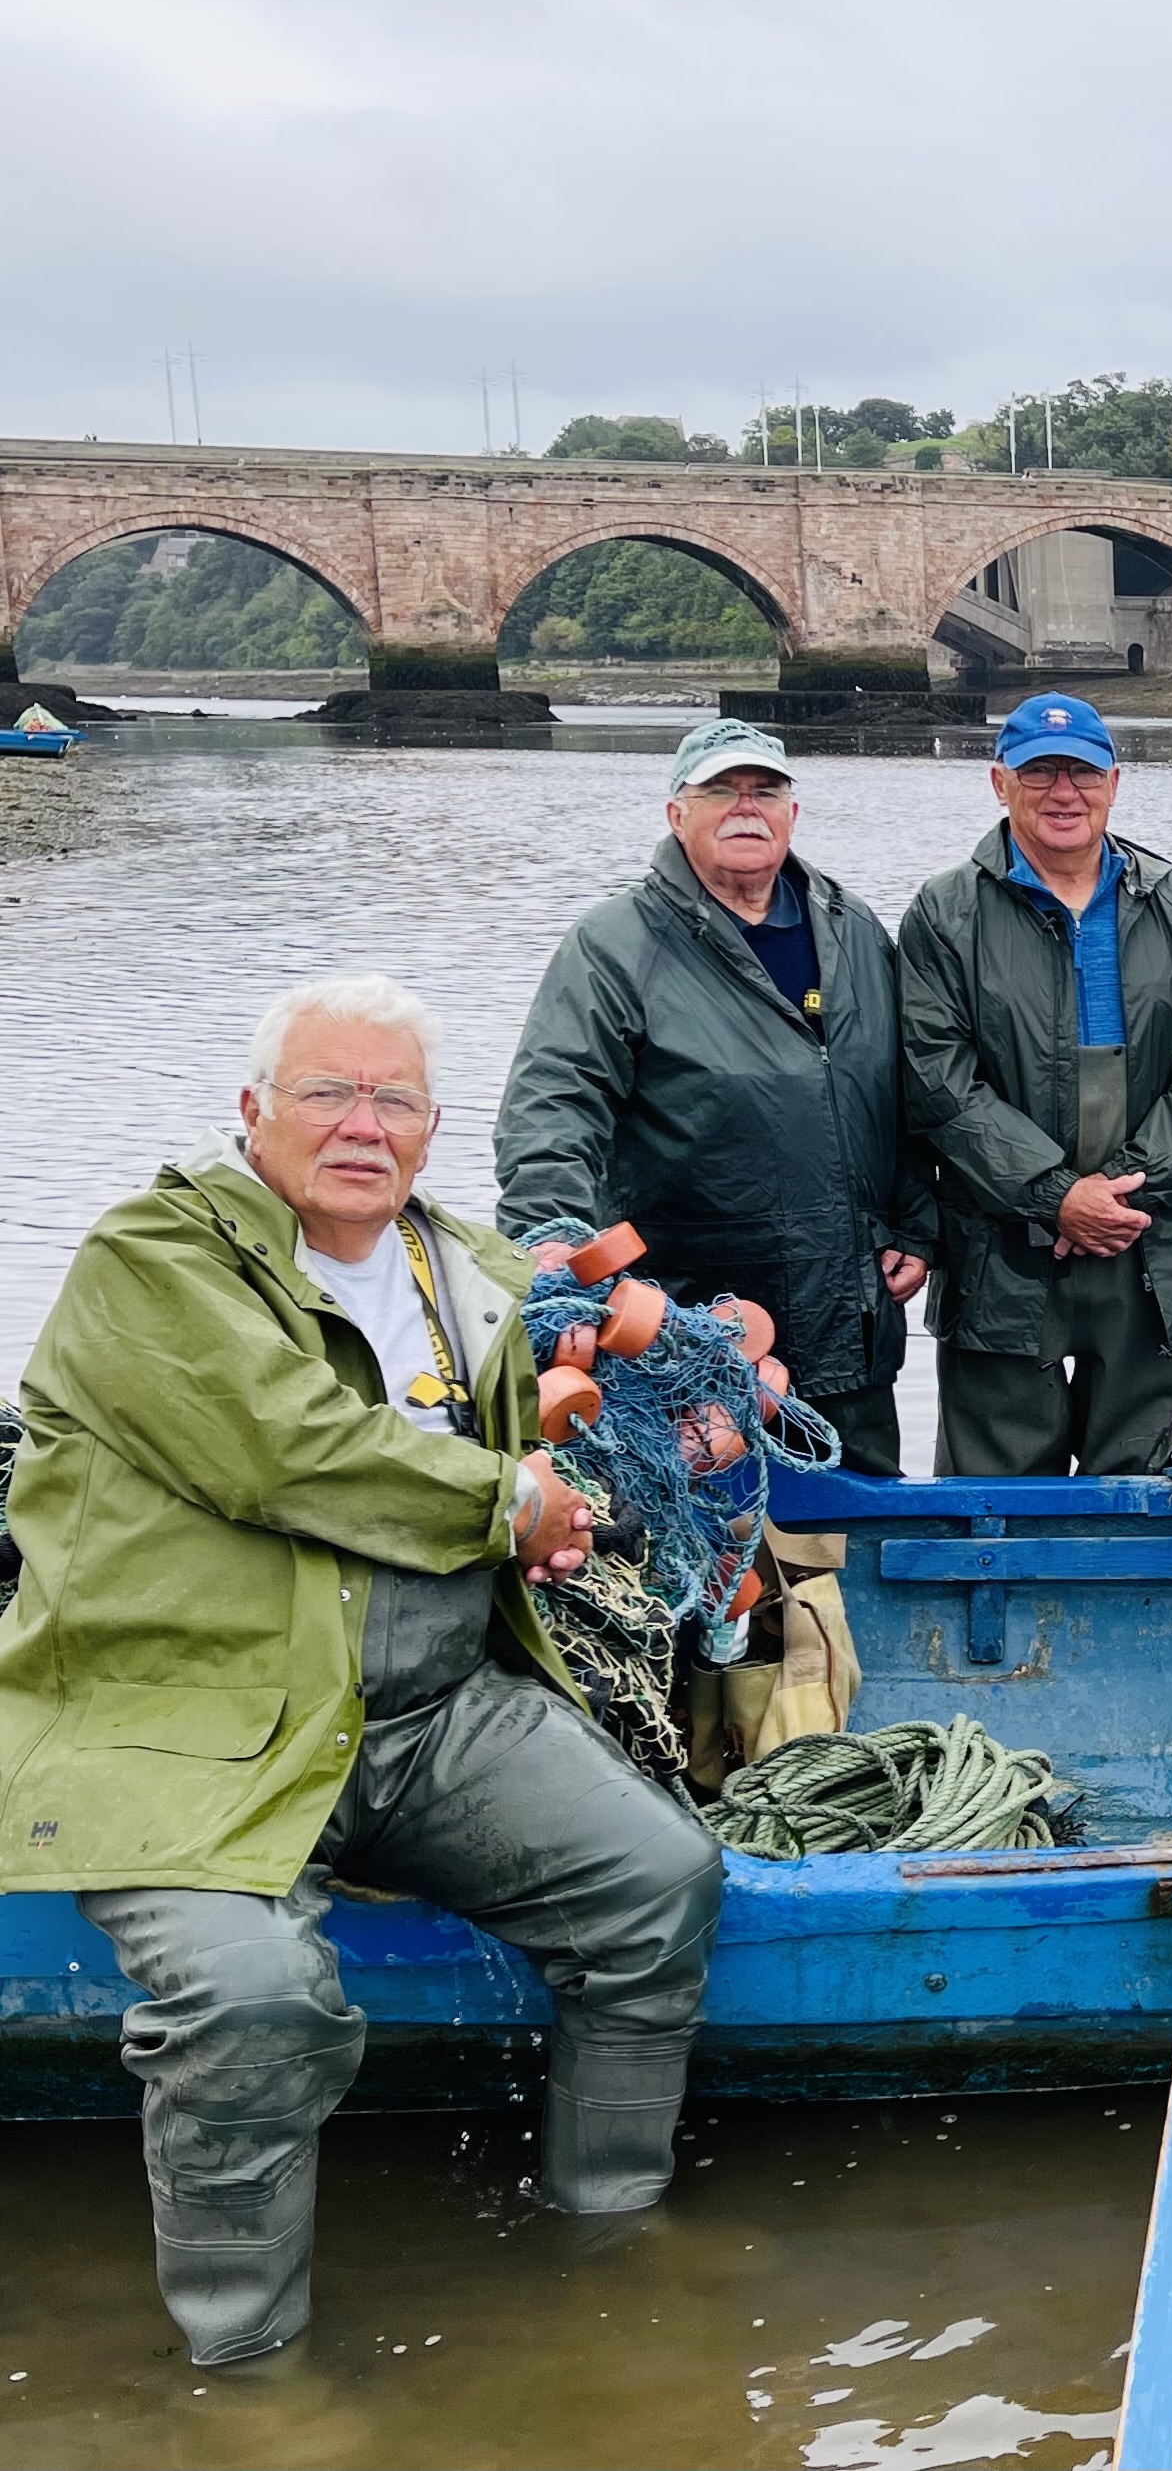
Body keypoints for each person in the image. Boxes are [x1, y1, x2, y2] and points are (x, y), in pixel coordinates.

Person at [0, 976, 721, 2365]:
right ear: (252, 1112)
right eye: (327, 1092)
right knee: (255, 2000)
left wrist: (555, 1519)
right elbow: (286, 1449)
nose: (361, 1127)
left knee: (658, 1883)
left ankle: (610, 2233)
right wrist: (507, 1503)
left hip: (429, 1711)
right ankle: (250, 2373)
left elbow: (509, 1468)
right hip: (192, 1721)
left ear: (433, 1131)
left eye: (393, 1100)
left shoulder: (462, 1271)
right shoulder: (154, 1257)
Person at [498, 717, 929, 1472]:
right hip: (686, 1331)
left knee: (852, 1550)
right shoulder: (614, 945)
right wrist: (550, 1238)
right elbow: (553, 1108)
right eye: (720, 790)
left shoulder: (855, 928)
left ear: (792, 812)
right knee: (704, 1556)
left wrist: (916, 1222)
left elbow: (903, 1088)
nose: (745, 807)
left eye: (765, 790)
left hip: (847, 1326)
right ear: (676, 813)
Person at [898, 692, 1172, 1475]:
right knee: (995, 1502)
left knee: (1135, 1487)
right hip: (1001, 1250)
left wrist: (1126, 1188)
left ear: (1114, 782)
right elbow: (938, 1082)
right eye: (1040, 772)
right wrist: (1055, 1193)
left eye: (1082, 772)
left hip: (1146, 1242)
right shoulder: (945, 914)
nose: (1064, 792)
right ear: (999, 782)